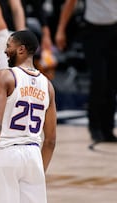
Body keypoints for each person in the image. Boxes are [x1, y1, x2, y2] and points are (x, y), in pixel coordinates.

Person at [0, 30, 56, 202]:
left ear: (21, 49)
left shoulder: (5, 76)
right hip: (33, 155)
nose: (4, 51)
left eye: (9, 46)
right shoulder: (47, 85)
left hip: (5, 154)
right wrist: (39, 170)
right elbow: (50, 141)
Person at [55, 0, 117, 142]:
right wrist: (61, 29)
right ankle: (94, 127)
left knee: (112, 81)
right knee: (99, 79)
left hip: (115, 31)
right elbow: (70, 3)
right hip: (93, 31)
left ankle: (108, 129)